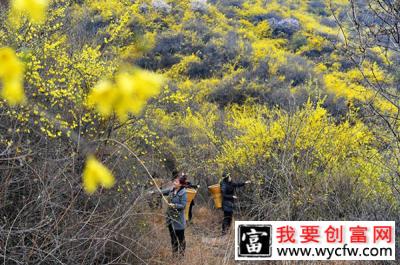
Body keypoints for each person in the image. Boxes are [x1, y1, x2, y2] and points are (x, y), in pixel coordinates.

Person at [162, 175, 188, 256]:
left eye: (176, 182)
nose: (174, 183)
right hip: (170, 219)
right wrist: (153, 191)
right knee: (173, 238)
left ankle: (181, 255)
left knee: (181, 239)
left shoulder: (183, 193)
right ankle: (174, 254)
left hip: (178, 220)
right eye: (174, 181)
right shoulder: (171, 190)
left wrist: (174, 205)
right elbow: (162, 191)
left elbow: (183, 206)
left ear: (180, 184)